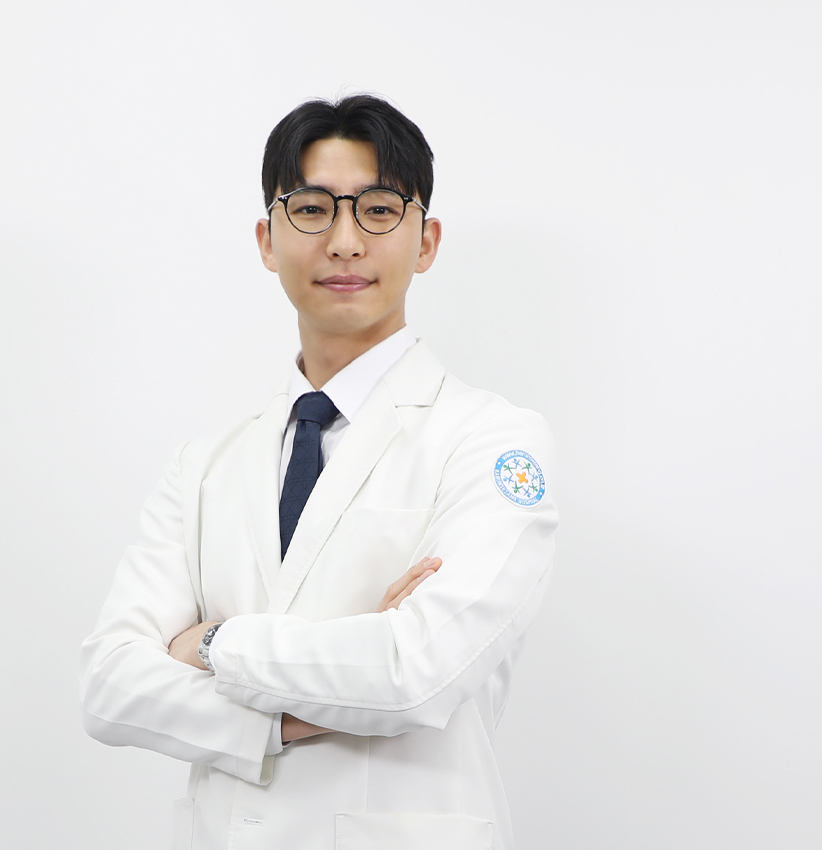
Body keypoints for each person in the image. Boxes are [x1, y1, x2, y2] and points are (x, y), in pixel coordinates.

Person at [79, 94, 558, 850]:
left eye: (378, 210)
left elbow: (415, 672)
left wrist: (210, 645)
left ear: (426, 241)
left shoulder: (490, 441)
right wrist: (287, 717)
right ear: (267, 240)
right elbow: (111, 685)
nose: (344, 241)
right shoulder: (204, 464)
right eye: (310, 209)